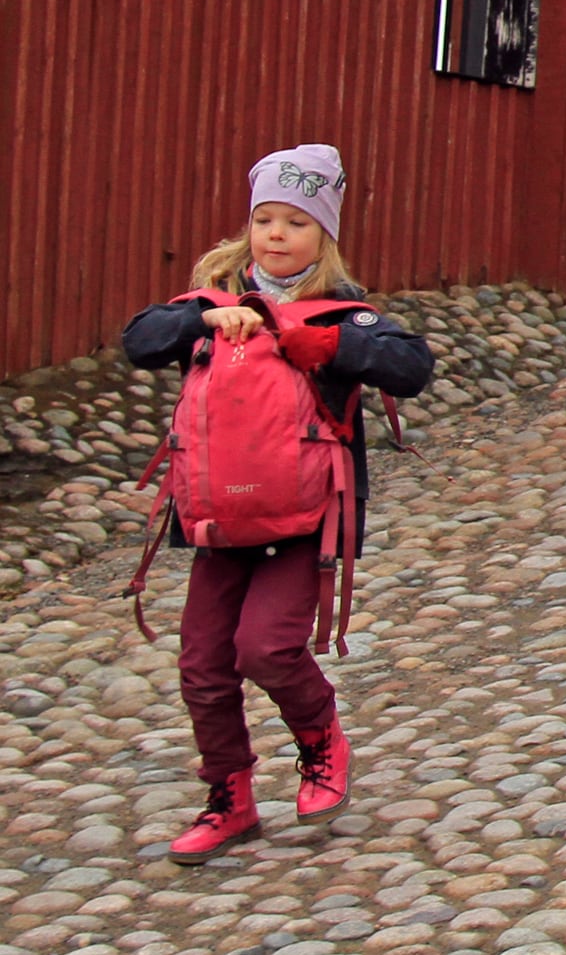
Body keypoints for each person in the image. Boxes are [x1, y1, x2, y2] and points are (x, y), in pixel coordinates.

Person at [122, 146, 434, 862]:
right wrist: (205, 323)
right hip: (218, 515)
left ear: (323, 235)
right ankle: (228, 798)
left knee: (265, 647)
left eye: (296, 222)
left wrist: (325, 344)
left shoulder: (347, 313)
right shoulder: (209, 304)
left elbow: (411, 365)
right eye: (265, 219)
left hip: (307, 518)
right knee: (203, 665)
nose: (276, 234)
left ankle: (321, 740)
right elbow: (139, 338)